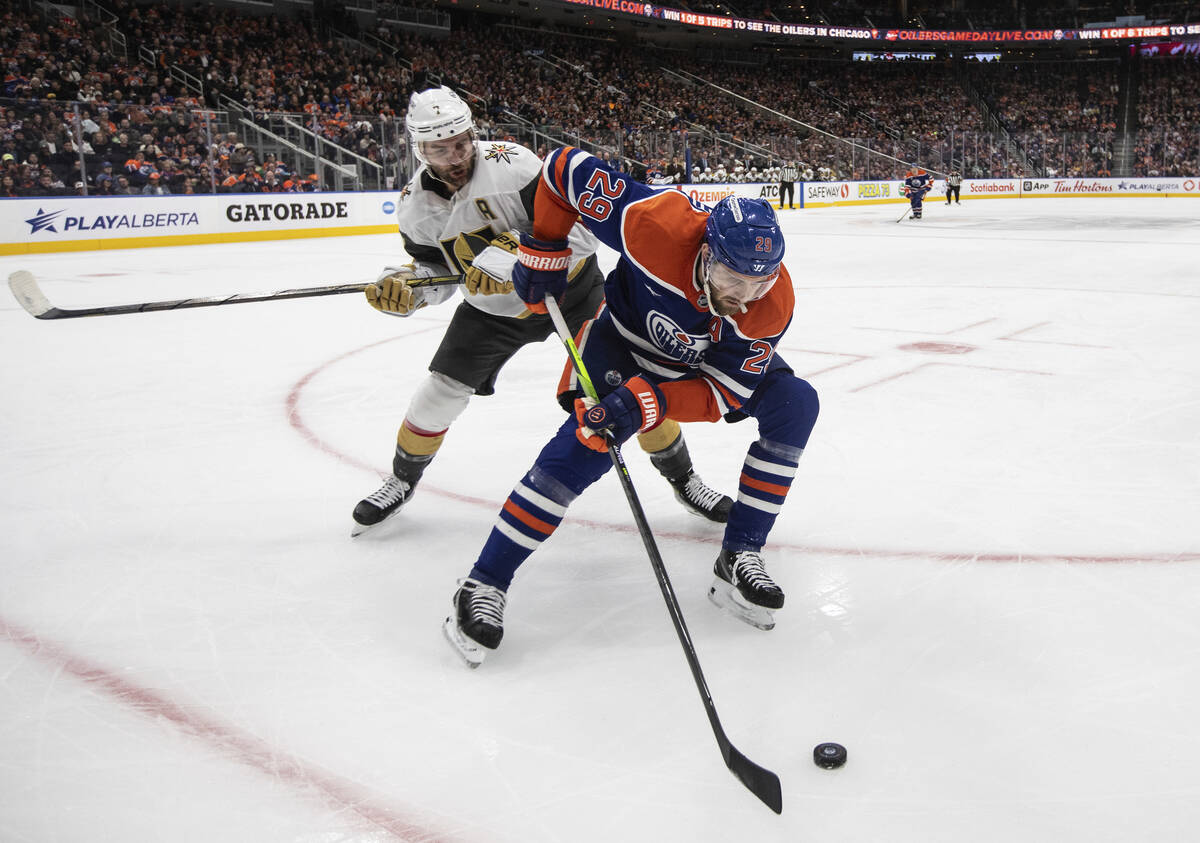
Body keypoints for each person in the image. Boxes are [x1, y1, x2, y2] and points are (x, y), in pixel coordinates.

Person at [443, 146, 820, 667]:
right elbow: (560, 171)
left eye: (761, 280)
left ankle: (739, 554)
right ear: (707, 253)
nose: (747, 295)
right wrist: (543, 249)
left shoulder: (769, 301)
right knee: (585, 445)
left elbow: (723, 393)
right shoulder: (655, 225)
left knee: (796, 403)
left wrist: (653, 401)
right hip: (620, 344)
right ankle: (484, 582)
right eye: (735, 279)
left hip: (698, 369)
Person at [352, 87, 733, 537]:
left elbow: (584, 235)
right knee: (439, 393)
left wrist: (523, 254)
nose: (455, 156)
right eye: (440, 148)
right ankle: (401, 479)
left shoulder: (514, 166)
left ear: (473, 134)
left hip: (571, 292)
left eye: (461, 142)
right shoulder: (414, 208)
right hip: (492, 312)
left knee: (634, 385)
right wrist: (411, 289)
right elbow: (438, 273)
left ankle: (684, 479)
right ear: (419, 148)